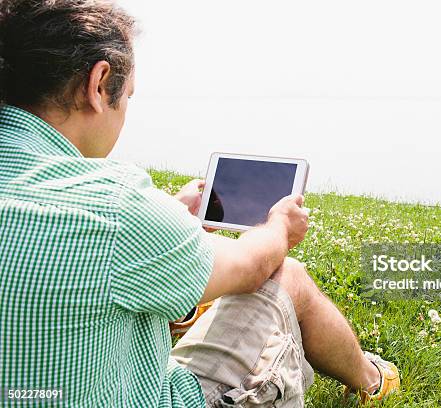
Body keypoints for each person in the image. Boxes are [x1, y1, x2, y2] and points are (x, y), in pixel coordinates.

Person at [0, 0, 400, 406]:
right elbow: (248, 266)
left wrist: (170, 220)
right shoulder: (114, 206)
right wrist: (280, 226)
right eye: (129, 96)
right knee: (288, 275)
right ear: (99, 84)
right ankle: (374, 380)